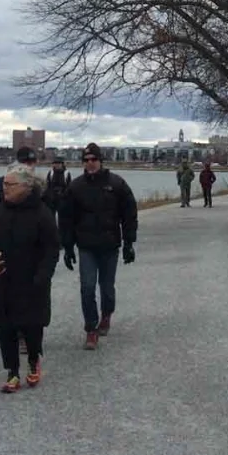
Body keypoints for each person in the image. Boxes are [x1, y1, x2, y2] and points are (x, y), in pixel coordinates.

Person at [0, 164, 60, 393]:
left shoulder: (42, 214)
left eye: (10, 184)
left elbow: (51, 249)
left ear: (26, 187)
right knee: (5, 326)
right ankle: (12, 372)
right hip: (3, 278)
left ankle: (34, 360)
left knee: (31, 326)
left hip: (31, 280)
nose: (5, 188)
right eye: (4, 184)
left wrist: (43, 276)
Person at [60, 142, 138, 349]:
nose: (90, 163)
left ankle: (106, 314)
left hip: (110, 245)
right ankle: (91, 329)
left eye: (94, 159)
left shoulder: (116, 184)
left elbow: (129, 214)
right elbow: (66, 218)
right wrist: (67, 247)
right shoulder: (75, 187)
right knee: (87, 287)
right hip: (86, 246)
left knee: (107, 288)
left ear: (101, 161)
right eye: (86, 160)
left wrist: (129, 242)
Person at [0, 146, 37, 218]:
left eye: (30, 163)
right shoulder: (5, 181)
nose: (28, 166)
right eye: (24, 163)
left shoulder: (38, 184)